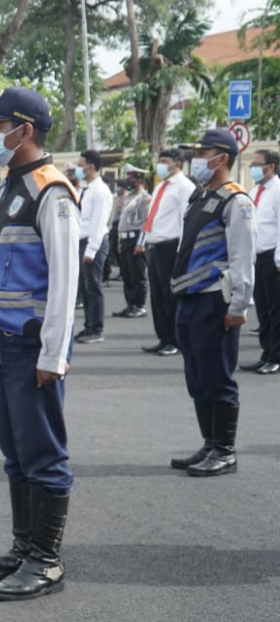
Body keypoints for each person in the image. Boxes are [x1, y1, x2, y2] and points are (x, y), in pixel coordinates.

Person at [0, 87, 79, 601]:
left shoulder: (50, 191)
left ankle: (46, 560)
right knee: (15, 451)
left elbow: (65, 280)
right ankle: (23, 546)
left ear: (24, 131)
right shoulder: (15, 184)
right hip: (2, 338)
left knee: (42, 452)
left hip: (31, 344)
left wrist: (54, 354)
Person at [167, 129, 256, 477]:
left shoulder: (236, 201)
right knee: (198, 376)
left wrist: (239, 306)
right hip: (189, 300)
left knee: (218, 377)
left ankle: (225, 450)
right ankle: (210, 442)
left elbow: (242, 257)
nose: (197, 159)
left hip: (214, 302)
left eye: (203, 153)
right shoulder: (200, 196)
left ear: (222, 157)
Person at [138, 149, 197, 356]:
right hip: (155, 246)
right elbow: (152, 217)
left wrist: (182, 252)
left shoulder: (185, 187)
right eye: (159, 160)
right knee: (157, 296)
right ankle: (163, 337)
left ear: (177, 164)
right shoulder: (161, 185)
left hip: (172, 247)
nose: (160, 164)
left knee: (170, 295)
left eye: (164, 161)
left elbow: (186, 220)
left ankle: (174, 339)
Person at [242, 149, 280, 374]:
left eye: (257, 164)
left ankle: (276, 355)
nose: (253, 168)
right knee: (263, 310)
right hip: (256, 257)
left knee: (276, 311)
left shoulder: (277, 190)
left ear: (271, 167)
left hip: (272, 257)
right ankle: (266, 352)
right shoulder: (255, 190)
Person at [74, 150, 112, 344]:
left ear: (90, 166)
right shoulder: (86, 189)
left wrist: (91, 250)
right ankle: (88, 326)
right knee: (86, 288)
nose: (78, 169)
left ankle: (96, 329)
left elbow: (99, 223)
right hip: (83, 241)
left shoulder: (100, 191)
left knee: (93, 287)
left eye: (80, 165)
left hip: (93, 243)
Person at [112, 164, 151, 319]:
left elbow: (146, 221)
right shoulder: (128, 197)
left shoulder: (145, 198)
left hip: (136, 239)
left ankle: (140, 305)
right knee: (127, 274)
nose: (128, 180)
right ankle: (131, 304)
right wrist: (120, 241)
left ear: (139, 180)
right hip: (126, 239)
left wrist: (141, 243)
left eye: (131, 178)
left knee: (138, 274)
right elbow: (123, 221)